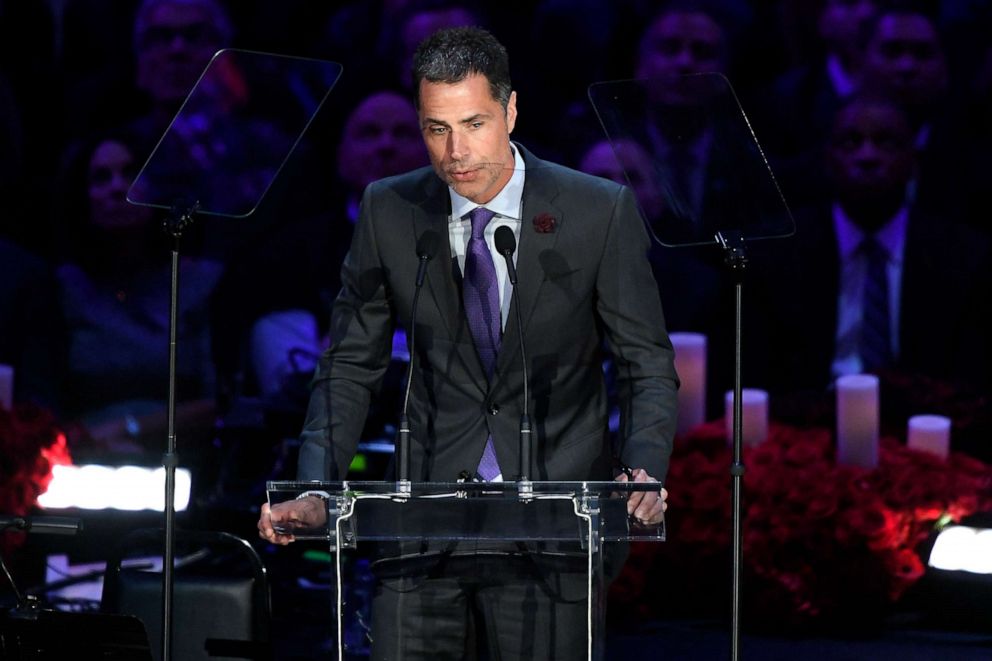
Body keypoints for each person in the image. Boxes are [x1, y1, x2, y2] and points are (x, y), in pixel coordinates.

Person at [258, 26, 676, 659]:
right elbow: (348, 364)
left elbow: (646, 364)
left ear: (510, 110)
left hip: (553, 529)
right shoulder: (389, 209)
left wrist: (641, 472)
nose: (456, 151)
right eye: (436, 129)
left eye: (474, 123)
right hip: (422, 529)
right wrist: (317, 485)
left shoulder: (598, 211)